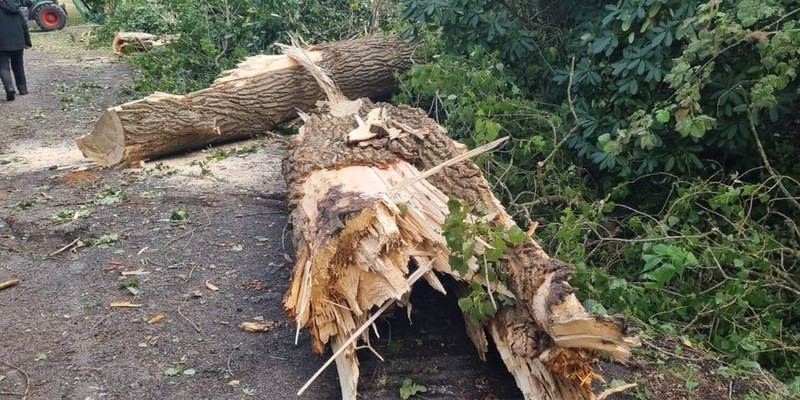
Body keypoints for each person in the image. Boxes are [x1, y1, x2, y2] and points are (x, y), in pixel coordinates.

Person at [0, 0, 32, 101]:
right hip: (18, 42)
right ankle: (23, 88)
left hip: (2, 43)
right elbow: (24, 26)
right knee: (18, 65)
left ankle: (9, 88)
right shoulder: (15, 9)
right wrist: (27, 42)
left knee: (3, 66)